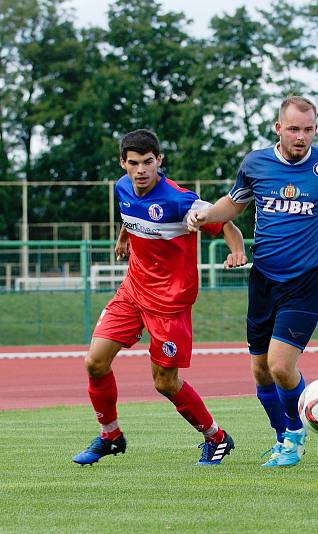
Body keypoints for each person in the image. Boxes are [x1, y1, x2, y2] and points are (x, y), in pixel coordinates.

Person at [187, 96, 318, 468]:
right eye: (294, 129)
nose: (301, 137)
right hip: (264, 278)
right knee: (259, 370)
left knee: (281, 366)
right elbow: (234, 204)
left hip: (307, 279)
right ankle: (282, 436)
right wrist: (206, 214)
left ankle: (295, 437)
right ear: (278, 128)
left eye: (308, 129)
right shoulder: (255, 163)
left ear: (315, 129)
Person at [72, 129, 247, 467]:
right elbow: (130, 212)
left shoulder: (181, 201)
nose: (141, 170)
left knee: (164, 383)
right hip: (132, 291)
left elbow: (226, 223)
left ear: (159, 162)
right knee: (94, 362)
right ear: (123, 163)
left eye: (148, 162)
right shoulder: (122, 187)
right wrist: (124, 237)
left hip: (170, 305)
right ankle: (111, 437)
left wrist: (237, 250)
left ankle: (217, 437)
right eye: (134, 163)